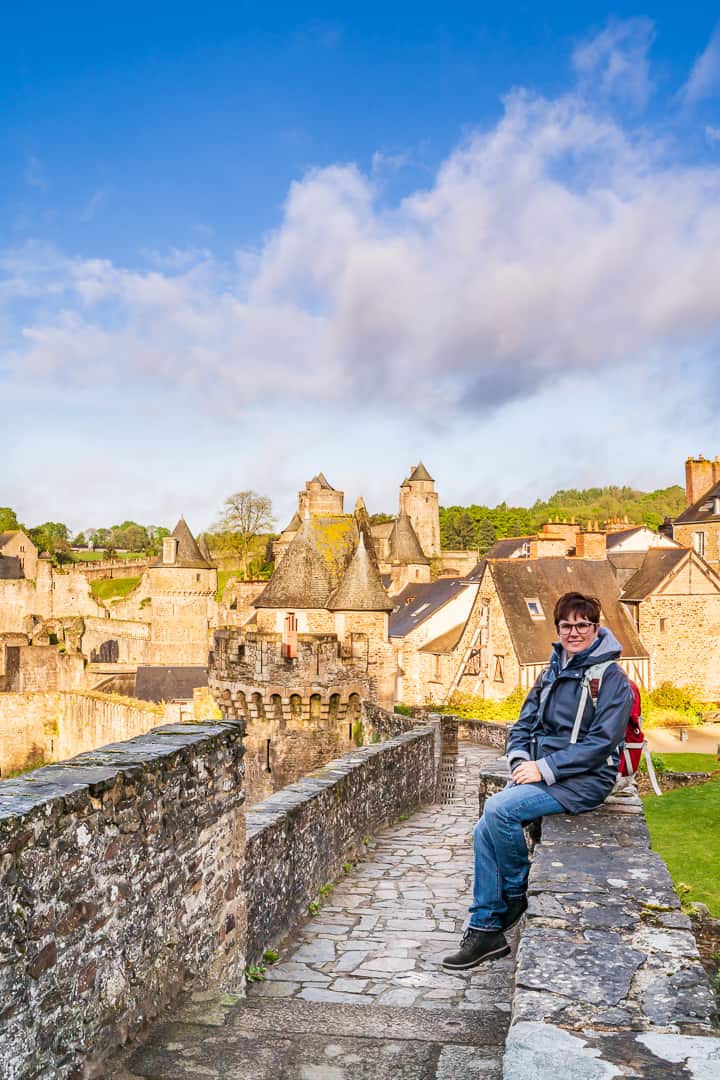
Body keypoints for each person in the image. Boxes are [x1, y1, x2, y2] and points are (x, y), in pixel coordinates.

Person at [442, 591, 633, 971]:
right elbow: (524, 724)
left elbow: (600, 744)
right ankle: (485, 929)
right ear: (558, 628)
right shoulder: (551, 672)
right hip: (545, 773)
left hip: (584, 780)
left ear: (596, 628)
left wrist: (546, 769)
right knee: (484, 829)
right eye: (567, 625)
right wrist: (521, 760)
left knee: (498, 809)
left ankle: (517, 889)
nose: (574, 632)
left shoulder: (613, 680)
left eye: (583, 625)